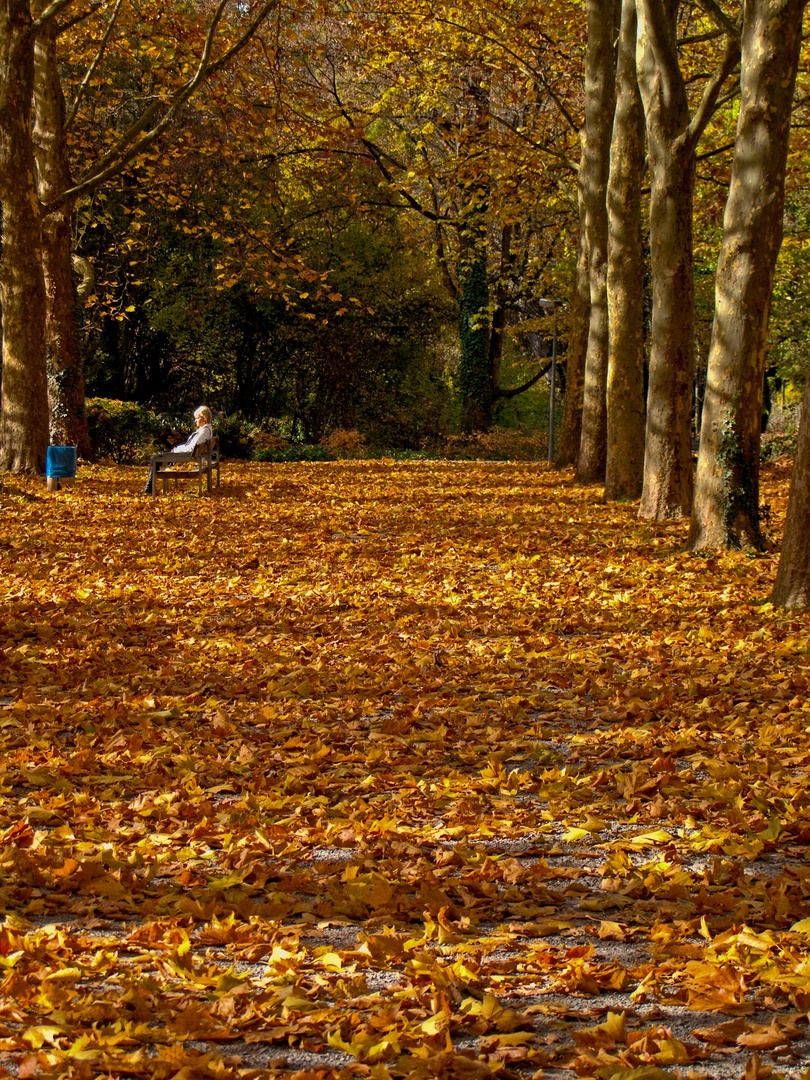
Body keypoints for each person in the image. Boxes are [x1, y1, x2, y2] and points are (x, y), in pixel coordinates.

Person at [141, 406, 213, 495]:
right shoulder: (205, 430)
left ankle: (149, 488)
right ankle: (149, 487)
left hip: (188, 456)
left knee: (154, 458)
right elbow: (191, 446)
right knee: (156, 458)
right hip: (189, 454)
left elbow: (192, 448)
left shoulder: (204, 431)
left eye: (197, 418)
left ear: (204, 418)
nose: (195, 420)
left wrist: (177, 449)